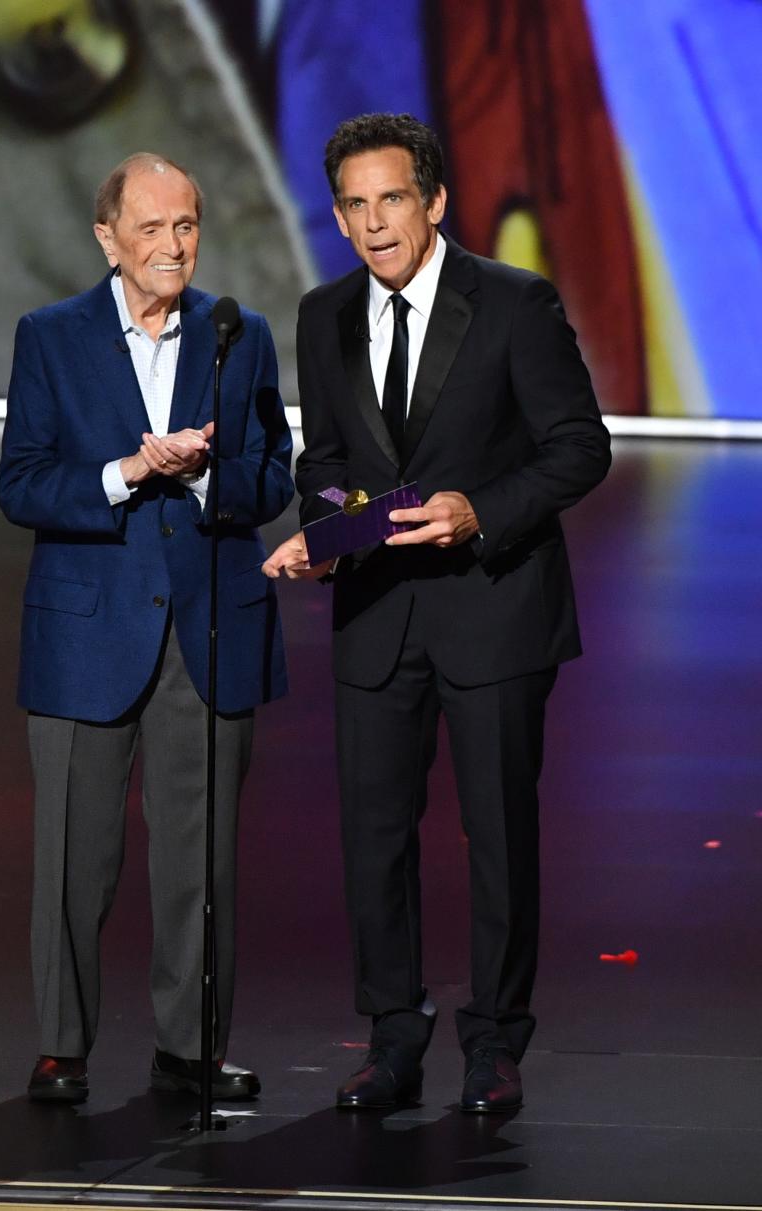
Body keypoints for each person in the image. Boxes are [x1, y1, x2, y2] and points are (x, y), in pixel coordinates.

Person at [264, 113, 610, 1112]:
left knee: (499, 834)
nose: (376, 224)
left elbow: (578, 446)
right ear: (338, 216)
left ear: (436, 201)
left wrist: (477, 512)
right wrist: (328, 536)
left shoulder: (512, 303)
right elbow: (326, 463)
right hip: (377, 619)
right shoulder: (324, 314)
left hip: (493, 613)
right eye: (356, 206)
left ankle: (496, 1041)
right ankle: (391, 1033)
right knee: (375, 835)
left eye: (393, 200)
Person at [0, 152, 293, 1104]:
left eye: (187, 227)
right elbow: (22, 480)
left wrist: (203, 473)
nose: (174, 246)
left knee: (200, 863)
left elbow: (274, 474)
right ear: (107, 237)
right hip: (86, 632)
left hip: (206, 632)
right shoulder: (50, 336)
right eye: (154, 228)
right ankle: (63, 1044)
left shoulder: (236, 335)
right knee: (76, 860)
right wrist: (126, 472)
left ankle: (190, 1048)